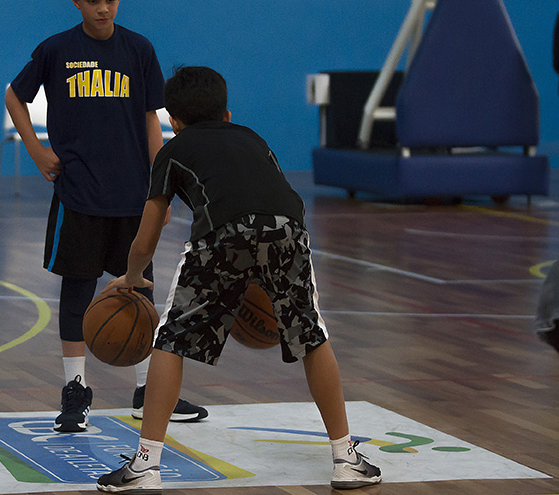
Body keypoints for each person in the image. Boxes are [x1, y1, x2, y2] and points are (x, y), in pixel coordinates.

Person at [97, 66, 382, 491]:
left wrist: (132, 276)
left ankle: (145, 465)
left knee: (171, 340)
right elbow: (269, 196)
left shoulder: (172, 151)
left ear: (173, 121)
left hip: (222, 233)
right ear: (227, 114)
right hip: (288, 228)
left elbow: (147, 234)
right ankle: (346, 459)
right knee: (311, 336)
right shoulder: (253, 138)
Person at [4, 0, 207, 433]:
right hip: (78, 193)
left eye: (110, 0)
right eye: (93, 0)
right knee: (77, 291)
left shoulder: (138, 49)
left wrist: (162, 182)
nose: (103, 9)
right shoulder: (56, 50)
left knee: (139, 289)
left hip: (133, 195)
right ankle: (75, 390)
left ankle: (146, 390)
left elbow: (151, 120)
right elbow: (14, 96)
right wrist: (37, 150)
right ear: (75, 0)